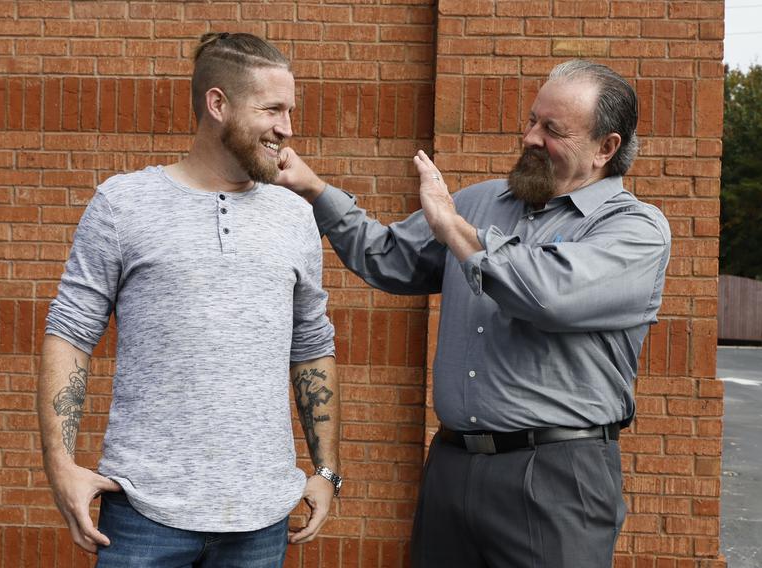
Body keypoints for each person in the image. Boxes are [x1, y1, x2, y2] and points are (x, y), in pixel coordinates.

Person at [274, 60, 671, 567]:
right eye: (531, 120)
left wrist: (455, 231)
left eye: (552, 130)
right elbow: (389, 258)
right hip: (453, 466)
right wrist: (314, 188)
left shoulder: (635, 230)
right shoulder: (481, 203)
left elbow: (548, 293)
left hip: (556, 476)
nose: (530, 137)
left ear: (605, 148)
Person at [38, 32, 343, 567]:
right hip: (142, 514)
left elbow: (312, 345)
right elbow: (70, 333)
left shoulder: (295, 216)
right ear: (218, 104)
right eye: (272, 109)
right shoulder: (123, 204)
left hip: (262, 519)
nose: (287, 128)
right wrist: (60, 464)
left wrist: (326, 470)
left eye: (290, 110)